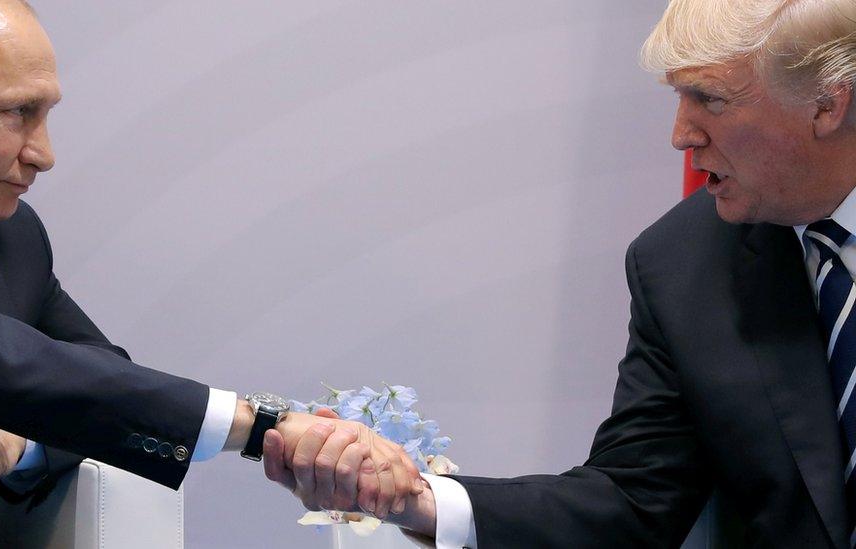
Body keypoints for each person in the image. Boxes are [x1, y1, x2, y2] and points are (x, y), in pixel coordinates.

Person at [272, 0, 856, 546]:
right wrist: (416, 502)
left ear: (829, 103)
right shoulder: (684, 264)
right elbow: (634, 500)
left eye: (710, 98)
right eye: (679, 97)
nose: (681, 135)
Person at [0, 0, 422, 546]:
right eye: (17, 111)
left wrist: (12, 436)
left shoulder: (9, 235)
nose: (44, 154)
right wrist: (260, 425)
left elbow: (90, 372)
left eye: (47, 115)